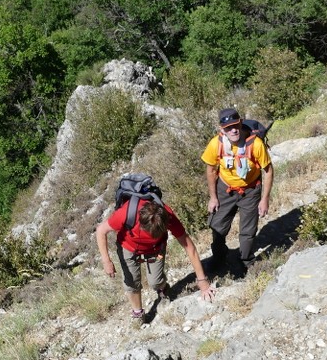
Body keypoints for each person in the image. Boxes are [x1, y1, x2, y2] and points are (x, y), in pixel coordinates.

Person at [96, 197, 215, 326]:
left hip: (156, 249)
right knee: (131, 283)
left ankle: (163, 289)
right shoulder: (126, 213)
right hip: (128, 247)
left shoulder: (168, 217)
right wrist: (106, 260)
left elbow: (190, 248)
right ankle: (138, 314)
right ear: (141, 224)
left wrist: (202, 281)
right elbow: (101, 230)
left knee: (156, 281)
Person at [201, 107, 273, 273]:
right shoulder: (215, 144)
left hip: (250, 189)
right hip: (225, 188)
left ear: (240, 123)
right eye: (228, 128)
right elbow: (211, 171)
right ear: (222, 130)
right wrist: (213, 197)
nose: (233, 130)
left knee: (247, 231)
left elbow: (268, 170)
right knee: (217, 227)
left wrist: (265, 198)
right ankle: (219, 257)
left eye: (235, 125)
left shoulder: (255, 144)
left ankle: (246, 261)